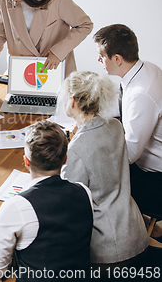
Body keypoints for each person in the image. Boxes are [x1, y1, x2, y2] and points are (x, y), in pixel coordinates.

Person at [0, 120, 93, 281]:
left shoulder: (16, 207)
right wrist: (2, 217)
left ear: (26, 162)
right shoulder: (84, 192)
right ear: (65, 159)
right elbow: (56, 221)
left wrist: (7, 217)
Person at [59, 71, 149, 267]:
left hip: (108, 250)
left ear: (72, 101)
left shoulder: (76, 150)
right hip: (136, 233)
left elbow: (68, 202)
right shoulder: (115, 127)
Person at [94, 24, 162, 236]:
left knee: (94, 172)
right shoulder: (145, 69)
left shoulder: (141, 94)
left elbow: (130, 154)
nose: (99, 60)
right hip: (151, 164)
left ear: (117, 59)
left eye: (101, 56)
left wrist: (96, 142)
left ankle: (120, 236)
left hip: (155, 179)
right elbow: (124, 108)